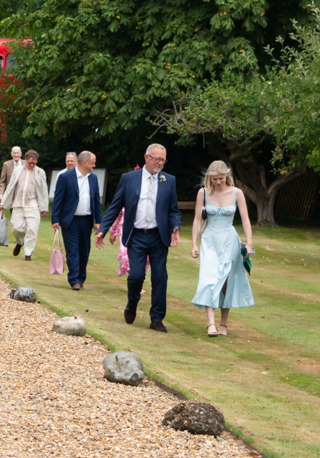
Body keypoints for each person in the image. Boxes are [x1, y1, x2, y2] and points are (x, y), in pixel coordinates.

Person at [97, 143, 180, 332]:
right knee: (136, 276)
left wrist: (175, 227)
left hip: (159, 237)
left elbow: (173, 210)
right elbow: (115, 205)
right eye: (157, 159)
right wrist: (103, 228)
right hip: (136, 236)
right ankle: (132, 302)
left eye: (163, 160)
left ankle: (157, 318)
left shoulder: (169, 180)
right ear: (146, 157)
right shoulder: (129, 179)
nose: (160, 163)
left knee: (160, 277)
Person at [190, 160, 255, 337]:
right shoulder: (202, 193)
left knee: (227, 281)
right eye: (214, 179)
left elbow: (246, 220)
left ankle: (223, 324)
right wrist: (194, 243)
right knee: (208, 279)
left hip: (229, 239)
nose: (217, 182)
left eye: (220, 178)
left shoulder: (237, 193)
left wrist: (249, 244)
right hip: (210, 239)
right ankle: (210, 324)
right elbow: (196, 219)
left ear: (227, 176)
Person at [50, 149, 101, 290]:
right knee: (72, 251)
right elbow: (58, 200)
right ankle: (74, 280)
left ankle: (81, 277)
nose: (94, 166)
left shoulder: (93, 178)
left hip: (87, 220)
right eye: (93, 163)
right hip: (70, 220)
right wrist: (55, 219)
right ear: (85, 163)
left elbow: (96, 200)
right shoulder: (66, 177)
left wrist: (98, 221)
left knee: (84, 251)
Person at [2, 149, 45, 260]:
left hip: (33, 204)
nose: (32, 165)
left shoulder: (40, 172)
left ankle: (28, 254)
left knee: (32, 230)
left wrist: (44, 208)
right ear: (25, 160)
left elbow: (44, 190)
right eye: (30, 162)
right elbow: (11, 186)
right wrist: (3, 203)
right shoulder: (18, 170)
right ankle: (20, 242)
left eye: (34, 163)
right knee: (17, 228)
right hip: (18, 203)